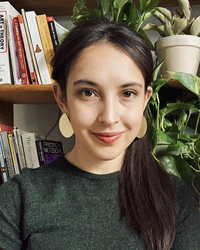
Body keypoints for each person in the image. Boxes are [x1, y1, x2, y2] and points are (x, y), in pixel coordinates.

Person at [0, 18, 200, 250]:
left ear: (145, 99)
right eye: (88, 92)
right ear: (62, 98)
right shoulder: (17, 199)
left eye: (127, 93)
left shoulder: (177, 200)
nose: (109, 117)